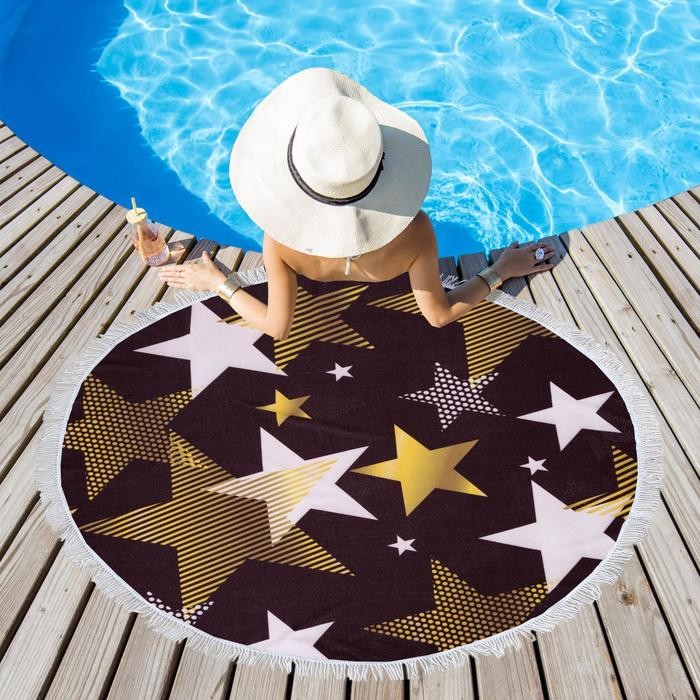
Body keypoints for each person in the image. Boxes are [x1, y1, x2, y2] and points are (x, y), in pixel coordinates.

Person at [159, 67, 556, 340]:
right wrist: (501, 269)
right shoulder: (415, 230)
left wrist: (219, 282)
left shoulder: (280, 239)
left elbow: (277, 328)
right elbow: (438, 315)